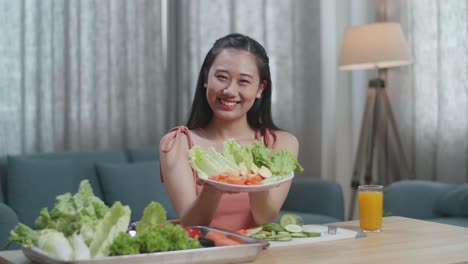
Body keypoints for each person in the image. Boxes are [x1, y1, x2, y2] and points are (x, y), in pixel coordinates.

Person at [159, 33, 299, 231]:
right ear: (206, 78)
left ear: (260, 88)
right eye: (221, 77)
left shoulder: (280, 143)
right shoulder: (177, 143)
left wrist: (256, 176)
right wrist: (215, 187)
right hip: (204, 253)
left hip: (259, 253)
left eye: (243, 82)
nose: (230, 91)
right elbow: (191, 223)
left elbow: (264, 219)